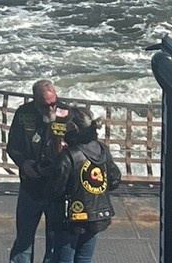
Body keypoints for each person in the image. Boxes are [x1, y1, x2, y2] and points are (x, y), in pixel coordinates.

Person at [6, 79, 73, 263]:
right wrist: (23, 163)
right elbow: (13, 146)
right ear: (35, 100)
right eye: (45, 105)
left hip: (57, 189)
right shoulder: (23, 113)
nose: (51, 109)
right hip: (31, 187)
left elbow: (77, 147)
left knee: (55, 242)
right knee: (24, 240)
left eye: (54, 103)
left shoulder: (66, 113)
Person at [46, 108, 121, 263]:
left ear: (72, 130)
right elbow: (114, 179)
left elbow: (55, 190)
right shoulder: (102, 150)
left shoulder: (68, 156)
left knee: (63, 259)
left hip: (70, 219)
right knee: (84, 259)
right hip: (96, 215)